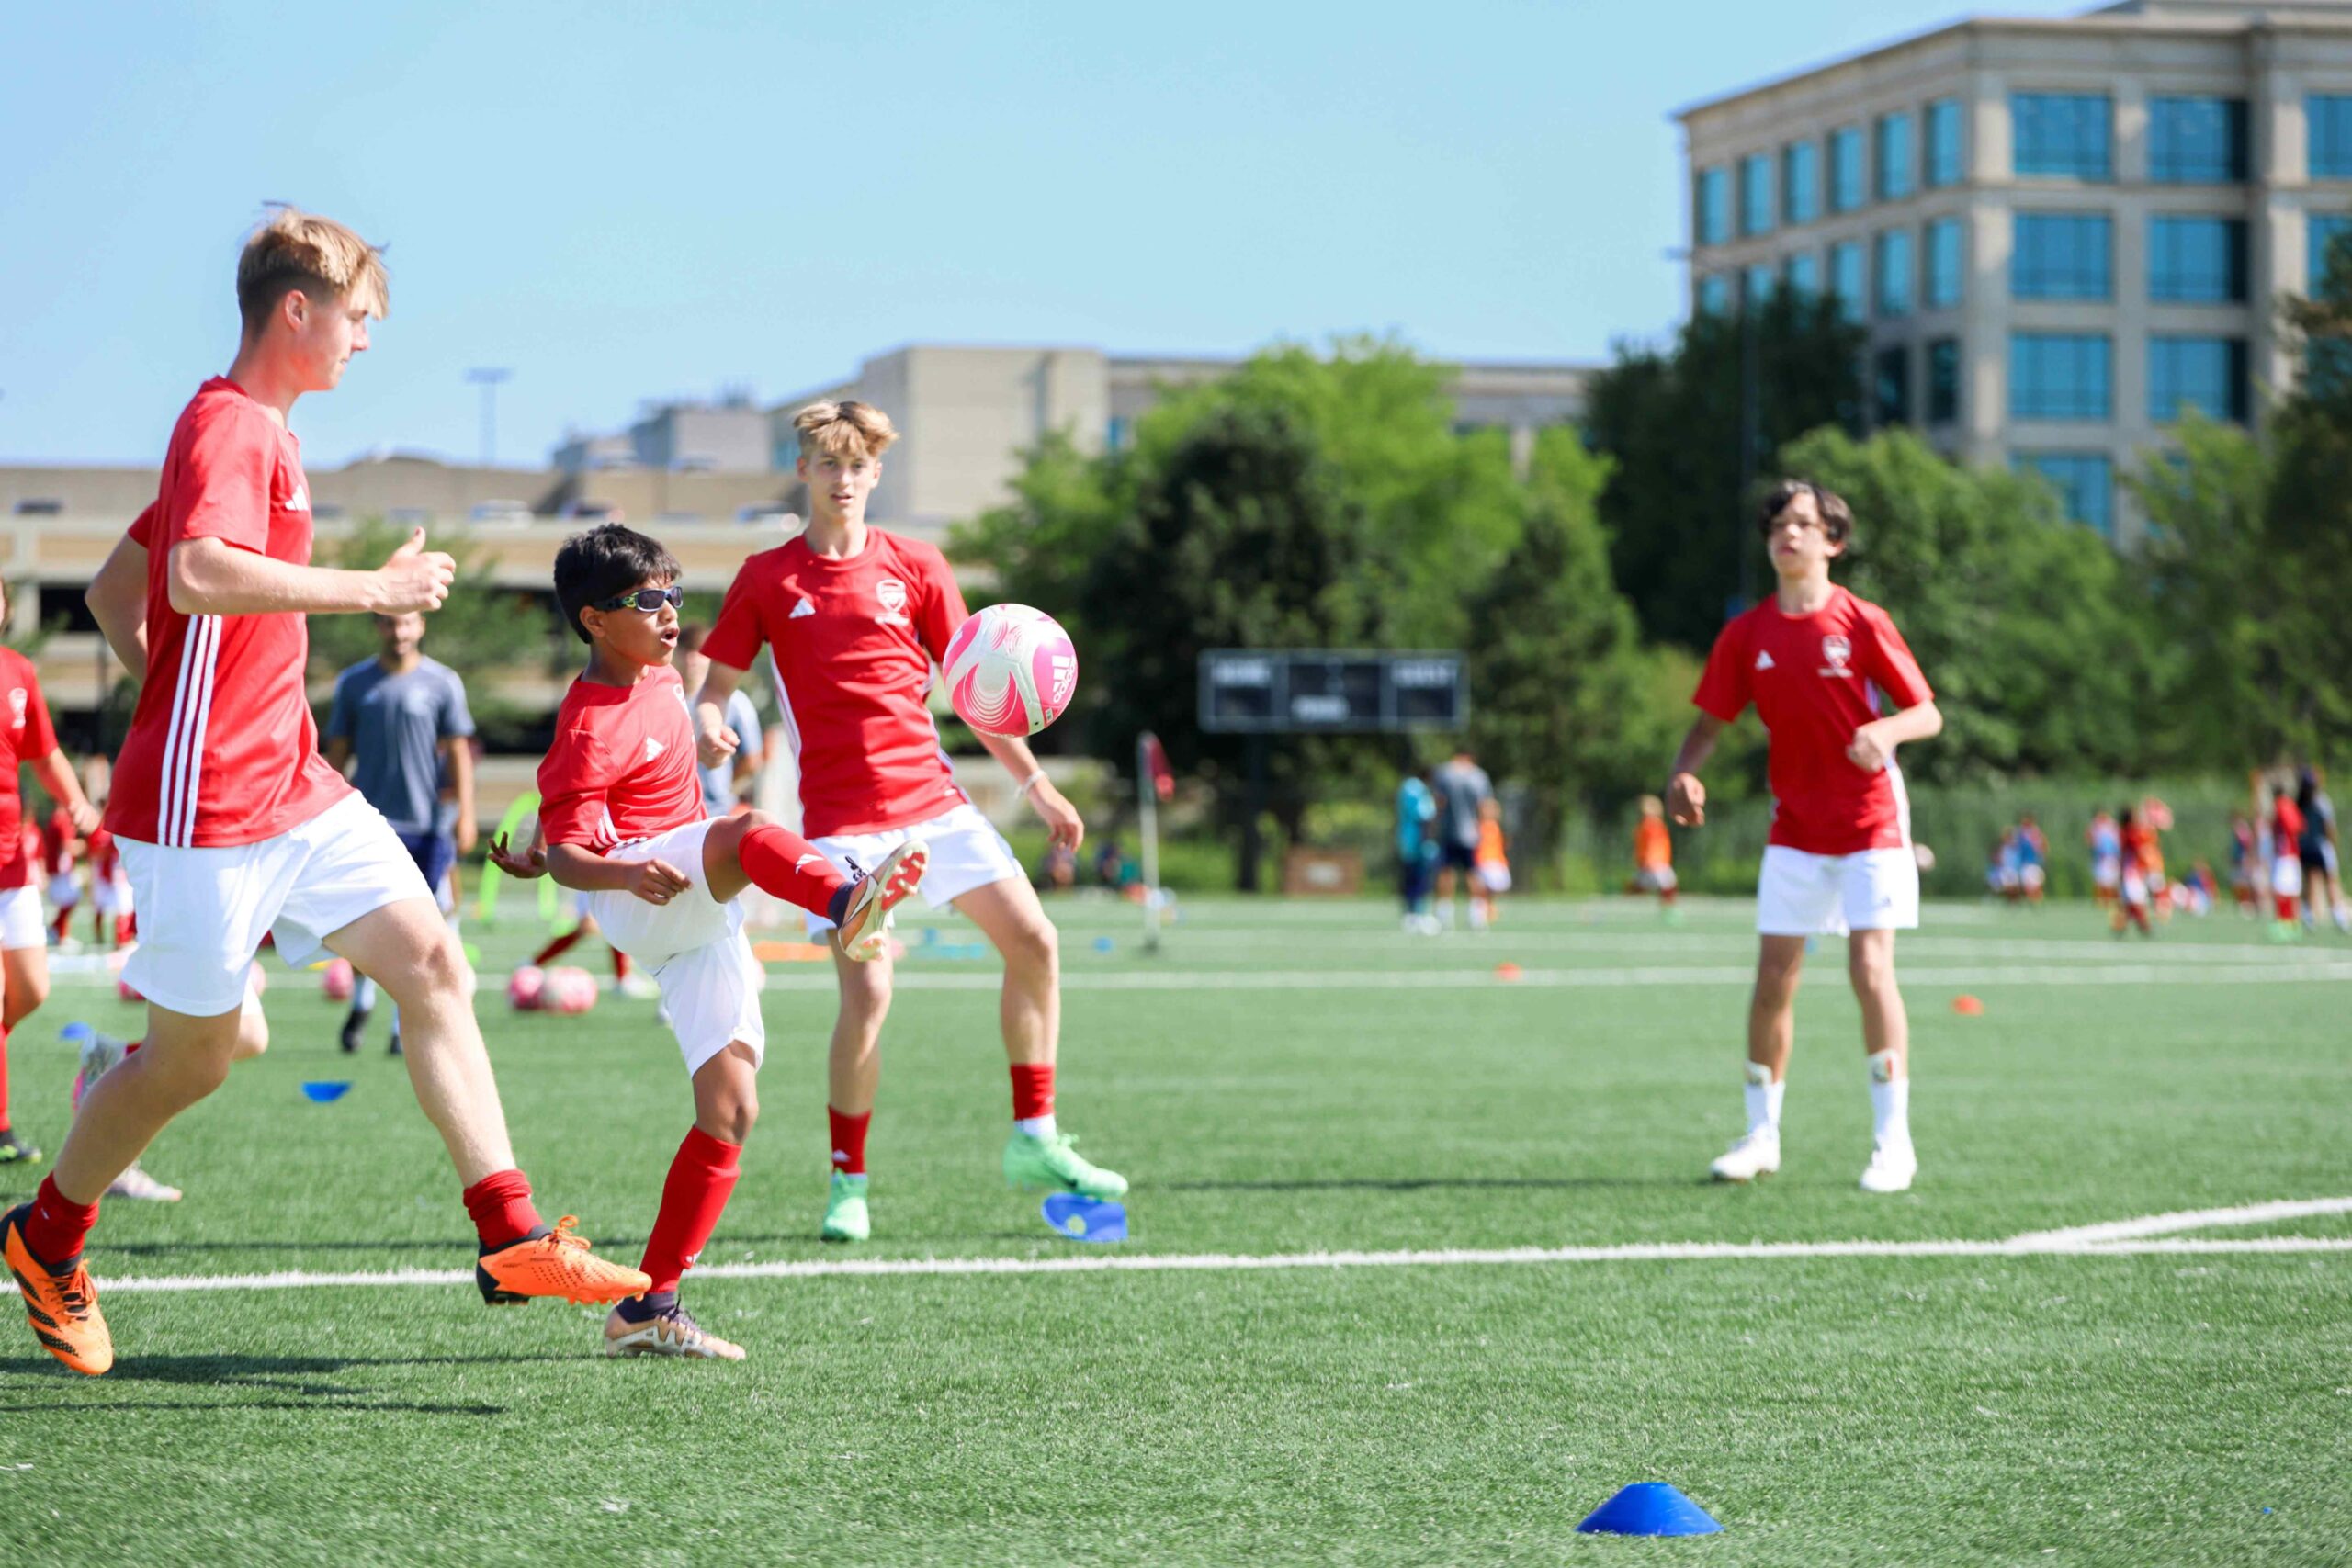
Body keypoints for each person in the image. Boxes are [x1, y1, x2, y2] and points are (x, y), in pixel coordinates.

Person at [4, 208, 650, 1380]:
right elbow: (193, 575)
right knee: (199, 1057)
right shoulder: (230, 426)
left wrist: (198, 696)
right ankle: (47, 1240)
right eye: (356, 316)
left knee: (433, 964)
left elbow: (116, 590)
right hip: (204, 810)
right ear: (294, 311)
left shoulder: (260, 433)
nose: (364, 341)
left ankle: (509, 1233)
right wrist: (373, 585)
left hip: (290, 786)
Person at [693, 400, 1128, 1247]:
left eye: (859, 466)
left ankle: (1034, 1138)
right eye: (829, 465)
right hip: (843, 828)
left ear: (877, 473)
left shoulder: (919, 566)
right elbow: (715, 688)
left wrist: (1036, 784)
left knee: (1036, 942)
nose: (844, 480)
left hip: (936, 807)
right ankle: (847, 1181)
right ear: (804, 471)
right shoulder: (768, 577)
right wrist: (712, 719)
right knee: (871, 991)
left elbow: (979, 689)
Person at [489, 523, 924, 1357]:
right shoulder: (586, 722)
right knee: (746, 829)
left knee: (730, 1110)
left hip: (694, 915)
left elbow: (566, 824)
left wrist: (716, 728)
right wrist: (604, 871)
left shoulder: (660, 678)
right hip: (643, 889)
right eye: (646, 600)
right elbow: (575, 854)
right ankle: (848, 901)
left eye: (674, 595)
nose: (668, 614)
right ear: (592, 620)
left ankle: (648, 1308)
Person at [1666, 479, 1942, 1195]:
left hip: (1871, 821)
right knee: (1772, 981)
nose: (1789, 535)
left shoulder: (1861, 620)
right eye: (1779, 525)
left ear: (1833, 542)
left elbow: (1926, 713)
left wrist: (1884, 729)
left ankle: (1893, 1144)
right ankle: (1761, 1137)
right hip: (1793, 826)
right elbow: (1705, 728)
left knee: (1870, 970)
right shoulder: (1746, 633)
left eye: (1804, 524)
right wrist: (1683, 777)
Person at [325, 608, 478, 1055]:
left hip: (428, 826)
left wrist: (466, 814)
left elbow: (458, 753)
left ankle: (399, 1024)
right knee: (364, 922)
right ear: (378, 626)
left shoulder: (443, 682)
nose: (400, 631)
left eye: (408, 622)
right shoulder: (354, 684)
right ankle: (361, 1002)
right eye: (390, 623)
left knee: (425, 928)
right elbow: (336, 758)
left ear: (422, 626)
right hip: (370, 826)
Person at [0, 615, 104, 1169]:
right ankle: (1, 1128)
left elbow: (44, 753)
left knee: (32, 991)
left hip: (13, 865)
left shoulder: (18, 672)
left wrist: (76, 802)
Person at [675, 624, 761, 816]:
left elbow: (752, 758)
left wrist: (726, 788)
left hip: (716, 808)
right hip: (673, 808)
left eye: (699, 652)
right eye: (686, 651)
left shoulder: (736, 702)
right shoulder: (662, 699)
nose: (692, 659)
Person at [1429, 749, 1494, 930]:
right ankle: (1476, 916)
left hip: (1448, 831)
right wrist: (1485, 829)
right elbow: (1484, 806)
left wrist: (1434, 825)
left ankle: (1444, 915)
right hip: (1471, 834)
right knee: (1473, 873)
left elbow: (1439, 801)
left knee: (1446, 872)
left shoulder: (1444, 773)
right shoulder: (1478, 776)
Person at [2296, 770, 2347, 934]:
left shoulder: (2299, 801)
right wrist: (2333, 843)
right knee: (2331, 880)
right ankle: (2338, 915)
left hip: (2304, 845)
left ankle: (2307, 915)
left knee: (2309, 879)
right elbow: (2328, 825)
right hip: (2320, 845)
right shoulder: (2321, 801)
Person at [1396, 769, 1437, 934]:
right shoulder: (1418, 790)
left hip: (1406, 839)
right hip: (1418, 841)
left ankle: (1409, 914)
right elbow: (1424, 816)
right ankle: (1417, 914)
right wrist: (1427, 841)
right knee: (1419, 878)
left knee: (1409, 878)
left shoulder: (1407, 787)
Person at [1631, 795, 1679, 918]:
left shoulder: (1646, 824)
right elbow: (1653, 844)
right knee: (1668, 885)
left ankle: (1667, 910)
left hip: (1654, 862)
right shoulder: (1651, 824)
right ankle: (1668, 911)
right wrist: (1651, 860)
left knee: (1644, 886)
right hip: (1656, 862)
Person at [2115, 806, 2154, 937]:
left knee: (2129, 903)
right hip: (2131, 873)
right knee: (2136, 902)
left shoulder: (2125, 832)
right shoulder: (2130, 834)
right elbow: (2140, 849)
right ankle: (2144, 927)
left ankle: (2121, 927)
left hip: (2130, 871)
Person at [1471, 799, 1510, 926]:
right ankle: (1482, 912)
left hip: (1497, 861)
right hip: (1484, 862)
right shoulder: (1478, 827)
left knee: (1500, 886)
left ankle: (1488, 905)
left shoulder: (1496, 827)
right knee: (1482, 889)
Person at [2087, 810, 2122, 911]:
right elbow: (2090, 839)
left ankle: (2114, 900)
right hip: (2100, 858)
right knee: (2101, 880)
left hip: (2112, 857)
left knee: (2112, 880)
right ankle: (2101, 901)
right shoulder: (2095, 827)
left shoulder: (2112, 826)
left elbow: (2117, 841)